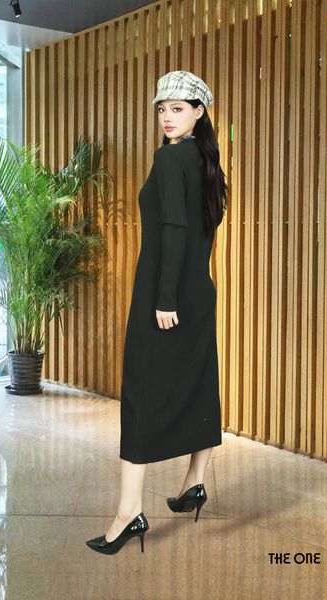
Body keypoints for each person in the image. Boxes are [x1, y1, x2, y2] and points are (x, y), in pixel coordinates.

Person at [86, 70, 229, 555]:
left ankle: (128, 512)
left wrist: (164, 297)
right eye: (162, 109)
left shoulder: (170, 158)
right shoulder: (207, 162)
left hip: (165, 296)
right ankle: (194, 482)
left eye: (177, 108)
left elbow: (173, 227)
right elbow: (200, 231)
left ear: (199, 112)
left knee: (142, 393)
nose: (167, 117)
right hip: (199, 291)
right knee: (199, 381)